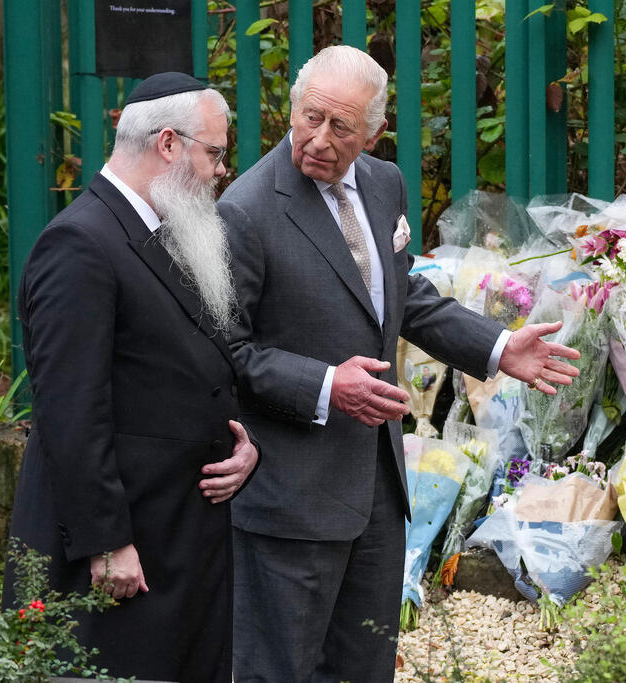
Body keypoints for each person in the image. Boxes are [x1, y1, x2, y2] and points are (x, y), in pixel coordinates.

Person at [218, 45, 580, 682]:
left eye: (342, 127)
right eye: (310, 118)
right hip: (291, 498)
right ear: (292, 112)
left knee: (366, 668)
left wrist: (498, 347)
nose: (320, 139)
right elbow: (231, 353)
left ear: (374, 132)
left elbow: (400, 293)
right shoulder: (246, 210)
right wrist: (329, 386)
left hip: (378, 494)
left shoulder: (384, 184)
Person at [3, 72, 259, 682]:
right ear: (168, 145)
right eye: (215, 153)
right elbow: (70, 409)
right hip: (123, 553)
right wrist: (106, 541)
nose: (221, 170)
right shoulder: (79, 243)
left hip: (176, 535)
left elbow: (194, 369)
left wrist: (244, 443)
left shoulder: (163, 233)